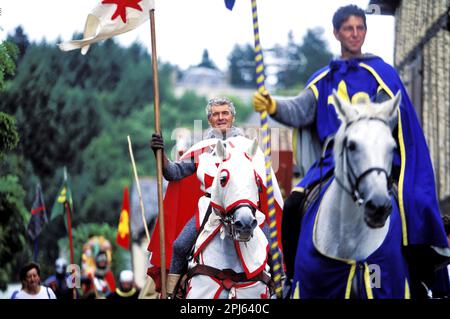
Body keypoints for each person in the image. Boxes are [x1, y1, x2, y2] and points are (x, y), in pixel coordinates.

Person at [253, 4, 450, 297]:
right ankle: (293, 276)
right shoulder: (324, 78)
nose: (355, 34)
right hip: (334, 162)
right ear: (336, 33)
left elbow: (396, 115)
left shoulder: (382, 72)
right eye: (348, 28)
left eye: (360, 28)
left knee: (413, 203)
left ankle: (421, 279)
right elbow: (302, 109)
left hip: (379, 160)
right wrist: (274, 106)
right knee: (294, 204)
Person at [148, 97, 283, 297]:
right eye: (215, 114)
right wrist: (160, 154)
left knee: (275, 250)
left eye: (225, 113)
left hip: (244, 207)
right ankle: (171, 293)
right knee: (180, 245)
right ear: (209, 119)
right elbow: (173, 173)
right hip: (210, 210)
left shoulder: (248, 147)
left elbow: (263, 179)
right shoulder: (202, 150)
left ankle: (280, 289)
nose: (221, 118)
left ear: (232, 117)